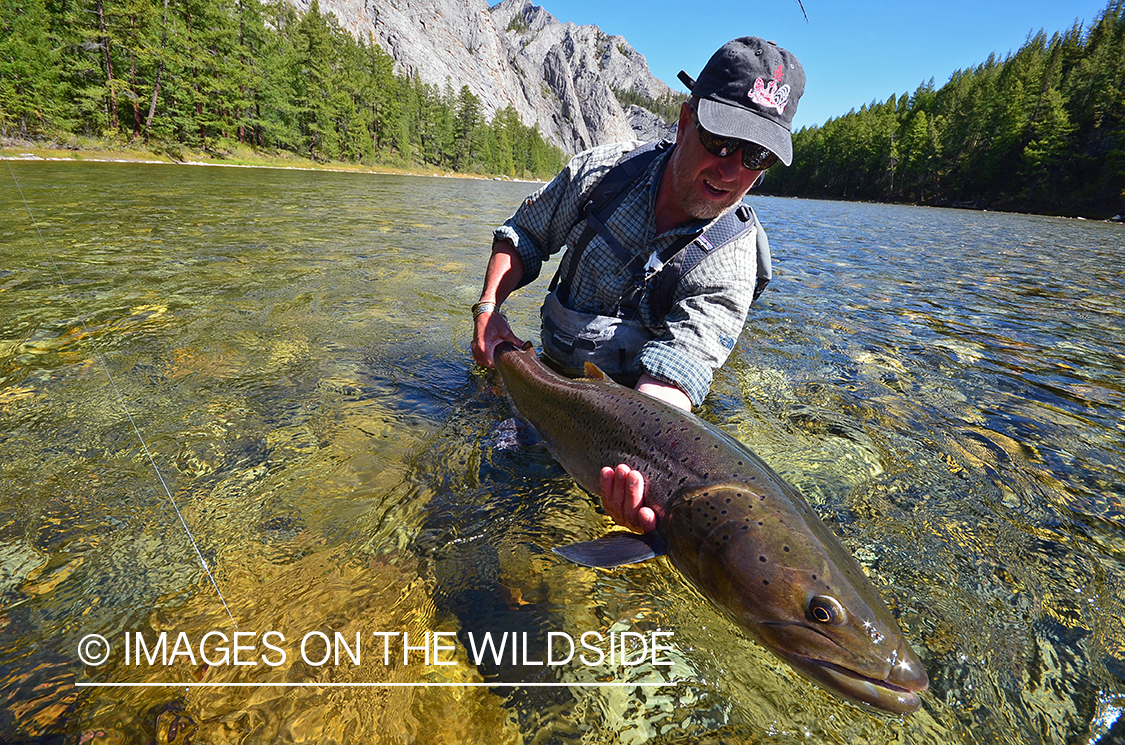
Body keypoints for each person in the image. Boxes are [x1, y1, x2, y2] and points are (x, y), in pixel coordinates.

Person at [472, 37, 805, 534]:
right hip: (544, 378)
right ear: (686, 121)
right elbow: (523, 235)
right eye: (722, 141)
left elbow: (667, 393)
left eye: (757, 156)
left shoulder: (734, 262)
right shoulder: (604, 174)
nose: (733, 170)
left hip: (629, 431)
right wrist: (487, 309)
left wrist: (648, 473)